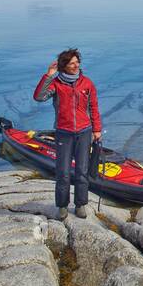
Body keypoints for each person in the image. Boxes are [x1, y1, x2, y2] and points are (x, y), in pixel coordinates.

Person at [33, 48, 102, 219]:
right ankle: (62, 206)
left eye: (77, 62)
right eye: (72, 63)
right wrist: (48, 75)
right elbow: (39, 97)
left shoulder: (87, 83)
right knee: (62, 172)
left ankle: (80, 205)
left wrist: (97, 129)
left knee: (82, 171)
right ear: (64, 65)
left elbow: (93, 107)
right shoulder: (56, 84)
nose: (76, 65)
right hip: (64, 133)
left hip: (84, 132)